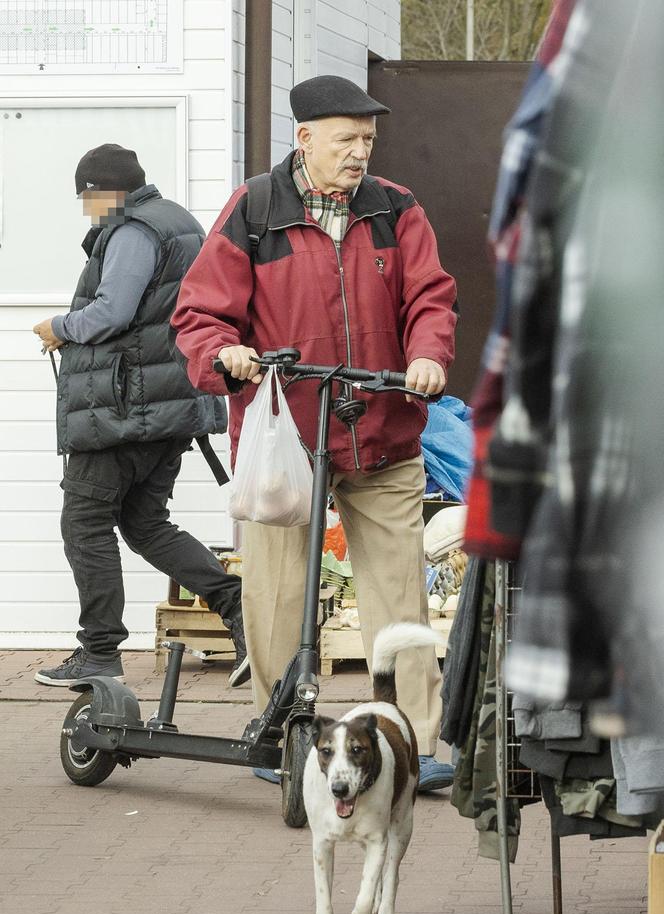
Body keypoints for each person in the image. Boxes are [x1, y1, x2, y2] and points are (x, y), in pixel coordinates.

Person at [171, 77, 458, 791]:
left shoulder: (397, 209)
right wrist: (224, 356)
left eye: (368, 140)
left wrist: (427, 354)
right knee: (277, 597)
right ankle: (283, 738)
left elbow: (430, 297)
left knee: (400, 600)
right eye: (346, 140)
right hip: (286, 439)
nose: (360, 153)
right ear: (304, 139)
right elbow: (200, 312)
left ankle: (413, 744)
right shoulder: (256, 211)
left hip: (383, 431)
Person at [32, 143, 249, 688]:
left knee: (84, 523)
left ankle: (99, 655)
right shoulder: (176, 220)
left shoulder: (132, 230)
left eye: (86, 198)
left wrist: (61, 327)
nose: (85, 210)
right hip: (166, 406)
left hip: (125, 413)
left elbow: (113, 311)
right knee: (145, 524)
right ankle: (240, 608)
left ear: (99, 191)